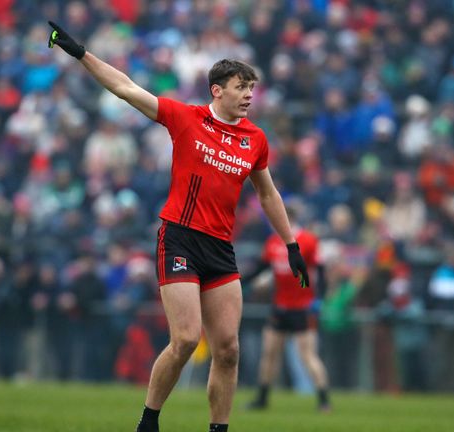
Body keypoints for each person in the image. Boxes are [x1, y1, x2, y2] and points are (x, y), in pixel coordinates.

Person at [48, 22, 310, 432]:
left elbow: (268, 194)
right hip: (180, 238)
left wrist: (290, 244)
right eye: (241, 87)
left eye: (252, 89)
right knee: (186, 339)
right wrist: (81, 53)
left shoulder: (255, 139)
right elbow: (125, 88)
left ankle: (218, 429)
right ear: (217, 90)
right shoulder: (185, 118)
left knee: (228, 350)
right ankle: (149, 421)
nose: (248, 96)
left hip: (221, 248)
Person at [244, 206, 330, 412]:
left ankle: (324, 400)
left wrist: (320, 299)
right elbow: (261, 267)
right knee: (270, 353)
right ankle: (262, 399)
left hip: (302, 307)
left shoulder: (308, 241)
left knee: (308, 355)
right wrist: (240, 281)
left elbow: (321, 273)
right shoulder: (273, 243)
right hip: (280, 306)